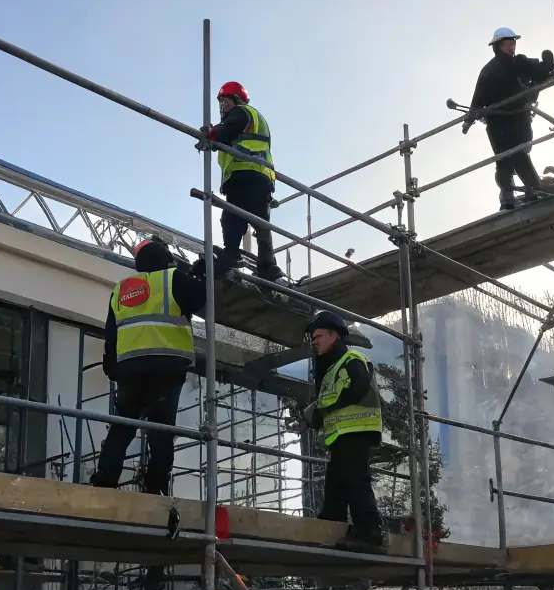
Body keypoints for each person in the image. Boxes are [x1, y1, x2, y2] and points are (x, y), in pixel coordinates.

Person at [91, 236, 206, 497]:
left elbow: (111, 333)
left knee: (122, 427)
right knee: (161, 429)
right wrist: (203, 275)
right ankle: (156, 488)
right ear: (166, 260)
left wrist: (111, 364)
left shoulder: (121, 289)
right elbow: (200, 298)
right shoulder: (172, 278)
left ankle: (104, 483)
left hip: (130, 368)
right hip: (166, 366)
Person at [301, 311, 387, 551]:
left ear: (334, 335)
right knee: (337, 480)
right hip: (341, 434)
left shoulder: (351, 359)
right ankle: (331, 520)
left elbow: (358, 386)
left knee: (354, 479)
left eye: (318, 336)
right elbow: (330, 400)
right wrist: (318, 414)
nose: (314, 341)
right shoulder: (331, 370)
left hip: (356, 430)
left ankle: (370, 531)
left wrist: (328, 407)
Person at [463, 27, 554, 211]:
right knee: (515, 156)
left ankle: (510, 195)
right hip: (506, 121)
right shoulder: (503, 67)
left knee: (510, 157)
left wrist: (470, 118)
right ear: (499, 46)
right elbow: (478, 97)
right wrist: (548, 64)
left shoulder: (503, 66)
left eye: (513, 43)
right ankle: (528, 190)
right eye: (509, 43)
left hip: (505, 121)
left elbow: (539, 72)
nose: (512, 46)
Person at [204, 81, 284, 282]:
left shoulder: (242, 112)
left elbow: (229, 130)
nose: (223, 106)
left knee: (232, 218)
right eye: (221, 102)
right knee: (260, 221)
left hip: (245, 173)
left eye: (226, 101)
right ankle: (268, 267)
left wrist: (211, 134)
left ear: (237, 100)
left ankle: (231, 255)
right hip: (258, 175)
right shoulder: (252, 117)